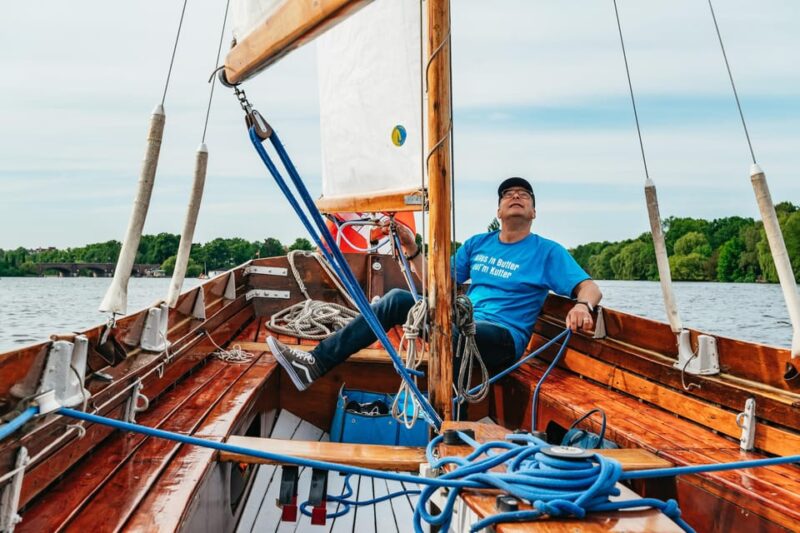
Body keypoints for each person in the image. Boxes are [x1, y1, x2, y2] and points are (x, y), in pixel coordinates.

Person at [267, 177, 602, 392]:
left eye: (524, 195)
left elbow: (589, 288)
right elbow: (438, 286)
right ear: (498, 210)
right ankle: (315, 364)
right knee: (400, 300)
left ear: (533, 212)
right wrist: (412, 248)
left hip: (502, 338)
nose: (516, 197)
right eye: (509, 195)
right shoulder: (477, 244)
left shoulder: (547, 252)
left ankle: (451, 424)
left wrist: (582, 305)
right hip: (463, 323)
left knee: (447, 328)